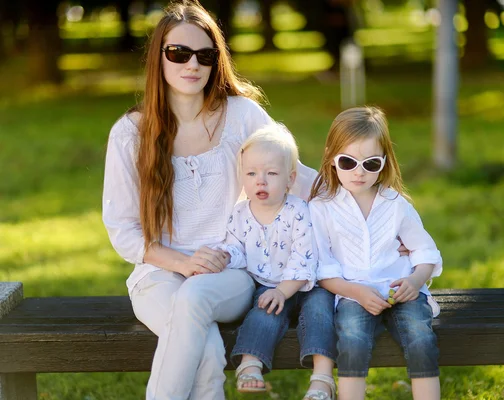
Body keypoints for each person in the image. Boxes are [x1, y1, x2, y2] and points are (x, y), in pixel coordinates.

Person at [101, 1, 317, 399]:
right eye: (179, 53)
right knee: (207, 350)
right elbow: (123, 230)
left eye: (205, 55)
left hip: (229, 271)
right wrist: (183, 262)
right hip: (158, 274)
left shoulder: (242, 116)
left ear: (217, 61)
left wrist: (371, 210)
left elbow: (299, 178)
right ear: (159, 59)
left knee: (196, 298)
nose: (192, 64)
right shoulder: (130, 133)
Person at [308, 106, 443, 400]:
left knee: (421, 339)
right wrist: (355, 292)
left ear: (383, 162)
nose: (359, 172)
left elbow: (426, 251)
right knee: (353, 341)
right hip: (352, 294)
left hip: (402, 290)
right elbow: (322, 269)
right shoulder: (321, 208)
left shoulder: (395, 204)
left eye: (370, 164)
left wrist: (416, 281)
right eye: (348, 161)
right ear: (331, 158)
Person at [224, 125, 337, 400]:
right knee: (263, 311)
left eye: (271, 173)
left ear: (290, 179)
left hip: (308, 286)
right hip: (268, 285)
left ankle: (322, 378)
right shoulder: (239, 214)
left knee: (320, 314)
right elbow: (236, 249)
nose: (260, 181)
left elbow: (304, 257)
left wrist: (283, 291)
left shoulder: (298, 210)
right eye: (251, 173)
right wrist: (225, 255)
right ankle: (251, 364)